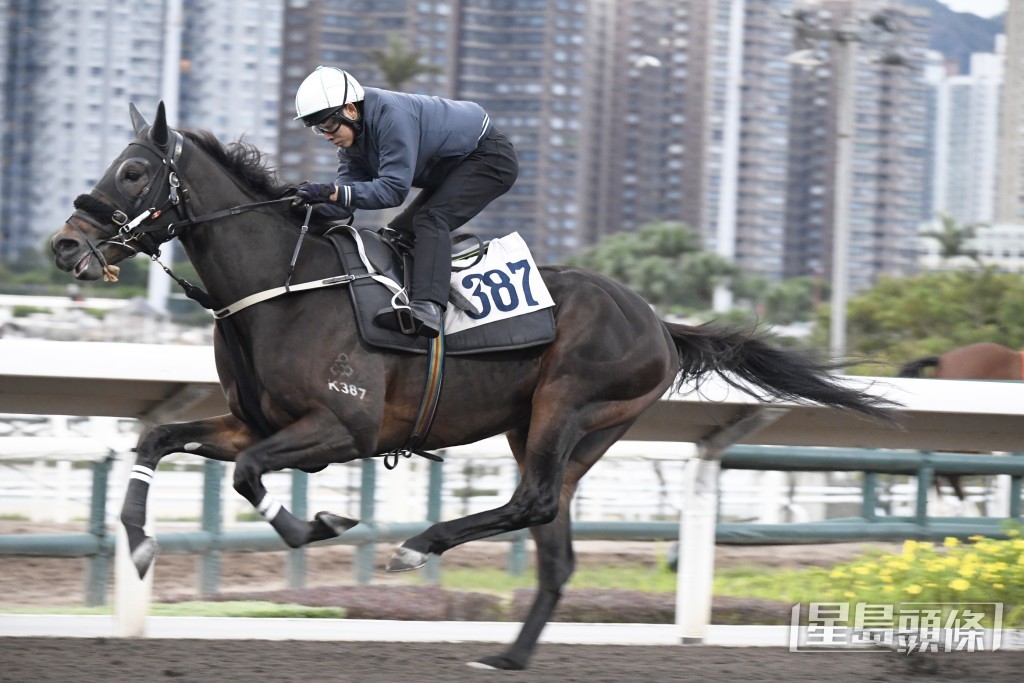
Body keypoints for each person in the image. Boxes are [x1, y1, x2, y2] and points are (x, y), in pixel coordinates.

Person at [292, 66, 519, 338]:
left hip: (489, 157)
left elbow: (392, 191)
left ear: (350, 111)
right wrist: (298, 205)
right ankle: (410, 296)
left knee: (431, 219)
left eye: (328, 125)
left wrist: (332, 192)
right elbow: (343, 205)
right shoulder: (351, 148)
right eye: (319, 129)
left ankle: (430, 309)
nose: (327, 135)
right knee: (396, 234)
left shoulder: (391, 116)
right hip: (452, 168)